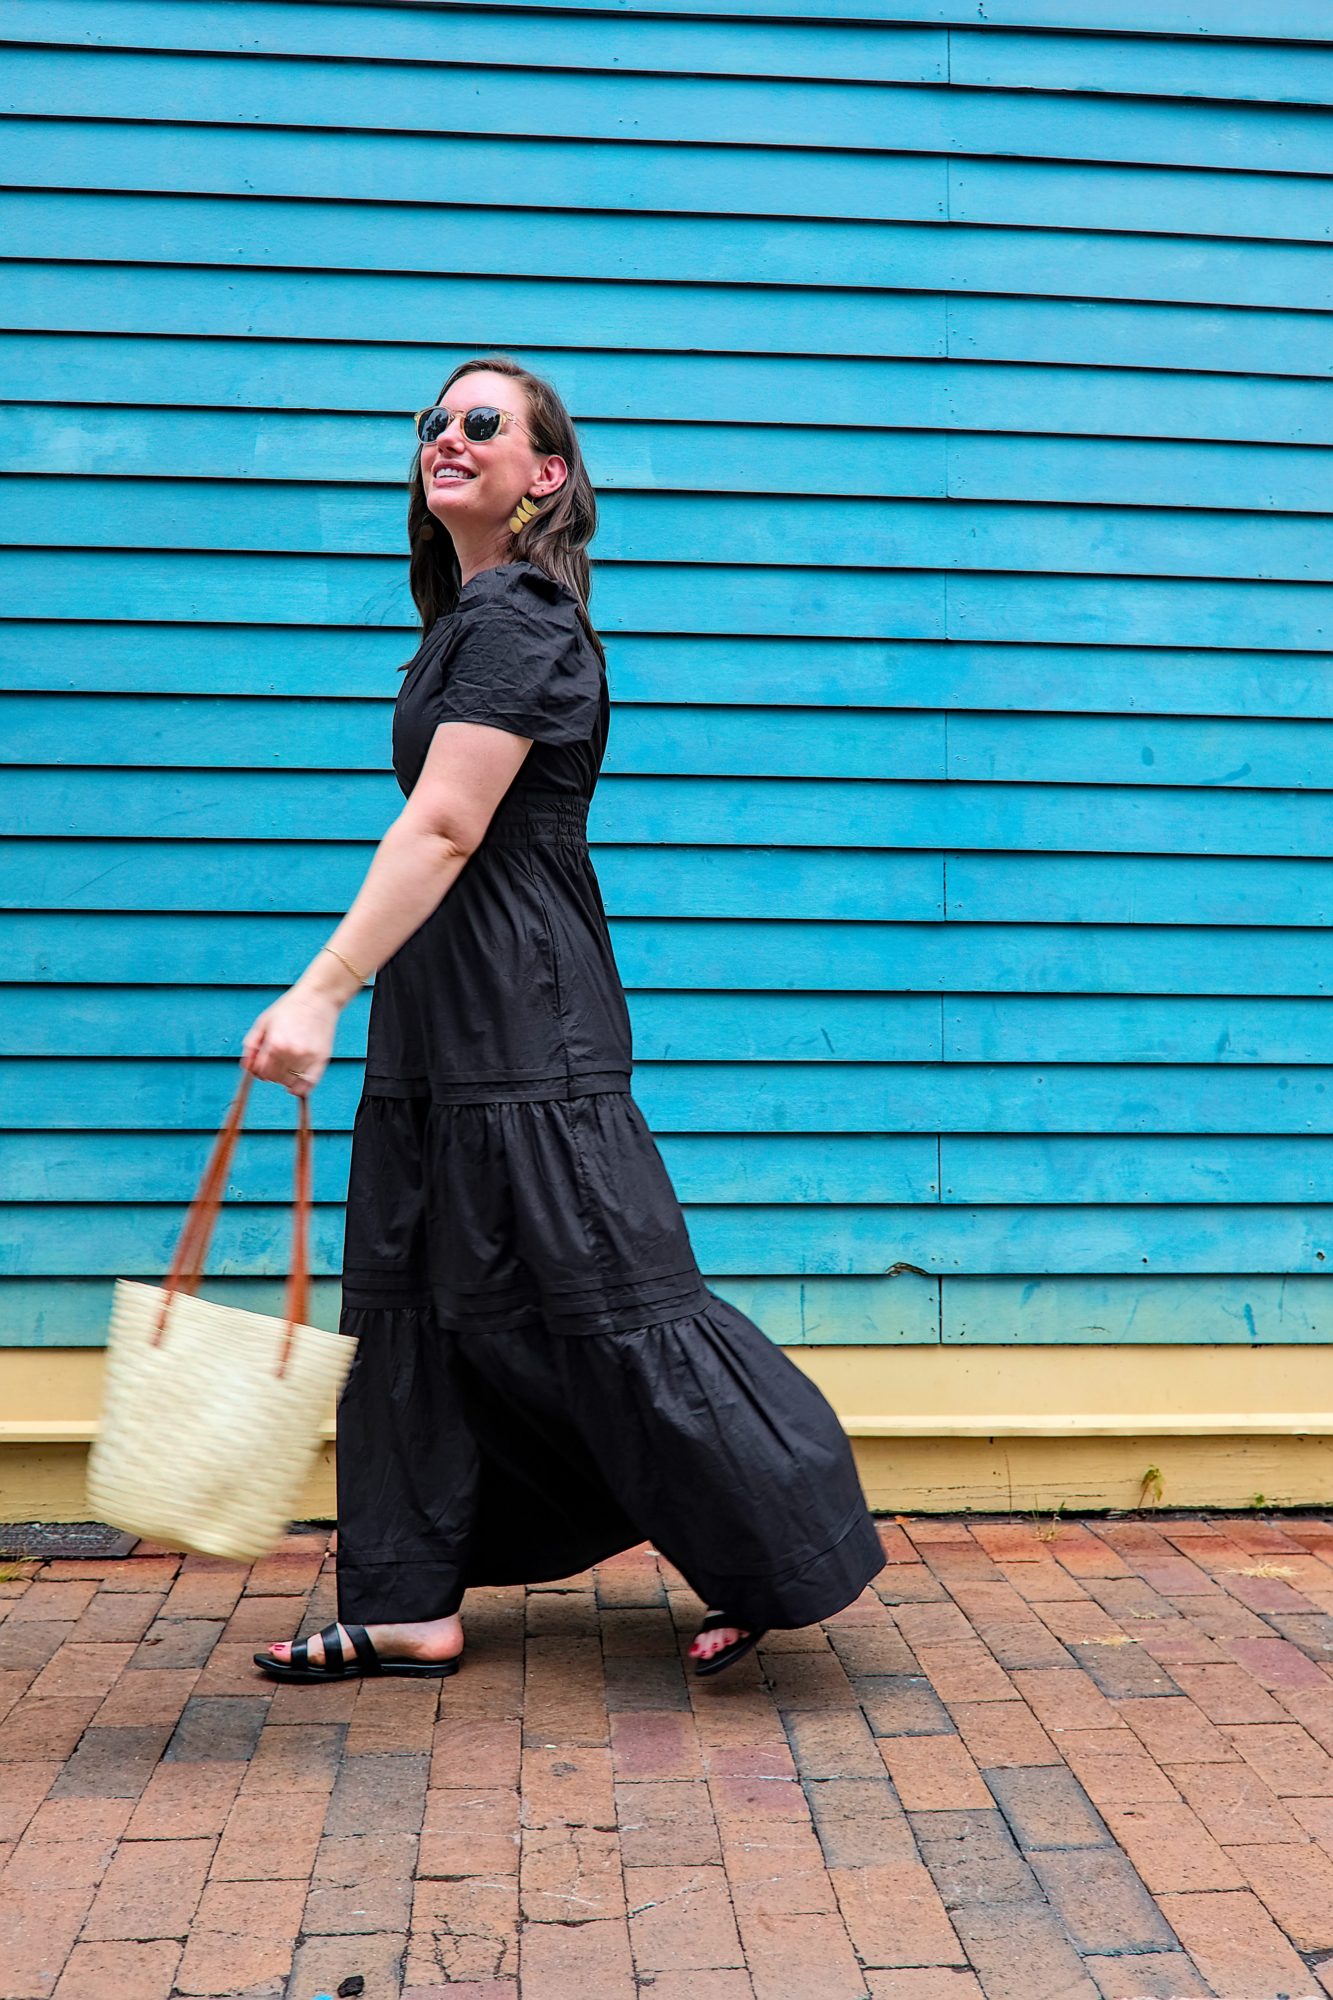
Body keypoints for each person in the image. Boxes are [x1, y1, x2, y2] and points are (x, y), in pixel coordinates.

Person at [245, 354, 886, 1685]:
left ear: (546, 473)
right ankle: (409, 1598)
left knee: (605, 1290)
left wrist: (322, 985)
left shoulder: (522, 624)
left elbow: (444, 823)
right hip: (447, 1009)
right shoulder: (464, 624)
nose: (444, 435)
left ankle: (773, 1547)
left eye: (481, 422)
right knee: (421, 1295)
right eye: (430, 420)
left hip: (525, 1011)